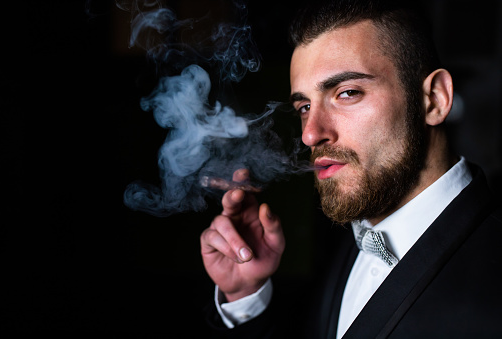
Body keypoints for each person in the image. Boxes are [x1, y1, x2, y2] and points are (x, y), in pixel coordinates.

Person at [199, 0, 502, 338]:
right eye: (304, 106)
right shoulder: (346, 236)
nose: (310, 134)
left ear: (434, 99)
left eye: (347, 93)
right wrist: (245, 295)